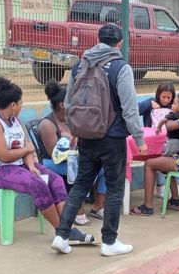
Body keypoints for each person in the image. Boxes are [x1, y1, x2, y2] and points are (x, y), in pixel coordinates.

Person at [50, 24, 147, 256]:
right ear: (120, 43)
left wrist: (74, 130)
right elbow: (129, 107)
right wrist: (139, 138)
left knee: (81, 184)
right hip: (112, 137)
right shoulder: (121, 67)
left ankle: (62, 235)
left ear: (98, 39)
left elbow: (70, 102)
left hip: (86, 135)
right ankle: (109, 242)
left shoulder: (80, 64)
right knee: (114, 188)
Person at [0, 77, 94, 245]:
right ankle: (62, 232)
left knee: (55, 180)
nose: (22, 106)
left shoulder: (15, 119)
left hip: (19, 164)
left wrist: (31, 165)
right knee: (37, 185)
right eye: (21, 103)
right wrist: (26, 150)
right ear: (13, 105)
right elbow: (4, 155)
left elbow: (27, 145)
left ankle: (68, 228)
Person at [37, 80, 107, 225]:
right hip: (53, 162)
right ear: (63, 104)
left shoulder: (72, 119)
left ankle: (98, 205)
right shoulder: (47, 124)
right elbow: (54, 154)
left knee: (104, 166)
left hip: (75, 158)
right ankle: (77, 210)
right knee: (81, 169)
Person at [130, 95, 179, 216]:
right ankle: (175, 199)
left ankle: (147, 207)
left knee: (149, 163)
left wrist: (170, 116)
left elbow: (169, 126)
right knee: (165, 160)